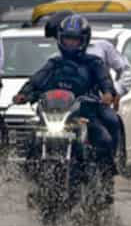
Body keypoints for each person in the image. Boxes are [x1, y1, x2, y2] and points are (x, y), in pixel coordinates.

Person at [14, 15, 118, 182]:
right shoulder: (54, 63)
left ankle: (105, 181)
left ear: (84, 41)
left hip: (84, 115)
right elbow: (37, 79)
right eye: (67, 39)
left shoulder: (94, 63)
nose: (70, 43)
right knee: (32, 138)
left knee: (103, 138)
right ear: (60, 39)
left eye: (74, 40)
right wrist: (24, 94)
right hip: (55, 115)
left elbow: (105, 80)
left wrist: (107, 93)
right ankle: (31, 177)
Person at [43, 11, 131, 152]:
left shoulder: (101, 49)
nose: (69, 42)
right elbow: (42, 79)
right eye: (64, 38)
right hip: (63, 106)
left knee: (112, 121)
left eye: (73, 38)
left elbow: (123, 71)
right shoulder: (55, 59)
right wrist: (30, 93)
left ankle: (113, 162)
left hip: (93, 101)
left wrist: (113, 92)